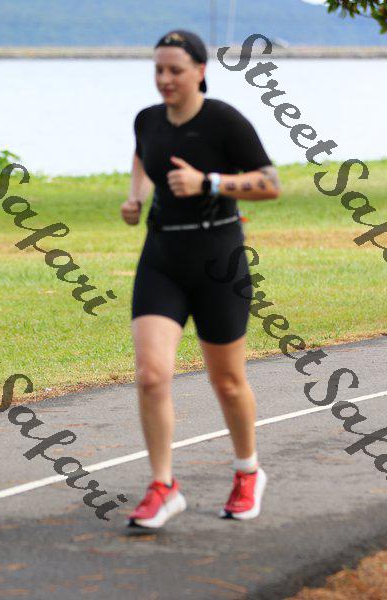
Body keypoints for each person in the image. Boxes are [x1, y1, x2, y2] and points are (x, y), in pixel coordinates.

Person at [121, 29, 281, 528]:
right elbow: (142, 153)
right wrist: (136, 195)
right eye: (158, 70)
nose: (165, 79)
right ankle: (163, 486)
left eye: (175, 70)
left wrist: (208, 182)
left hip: (218, 262)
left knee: (227, 382)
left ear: (200, 71)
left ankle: (248, 471)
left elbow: (270, 183)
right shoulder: (147, 119)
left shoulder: (223, 120)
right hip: (162, 259)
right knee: (151, 375)